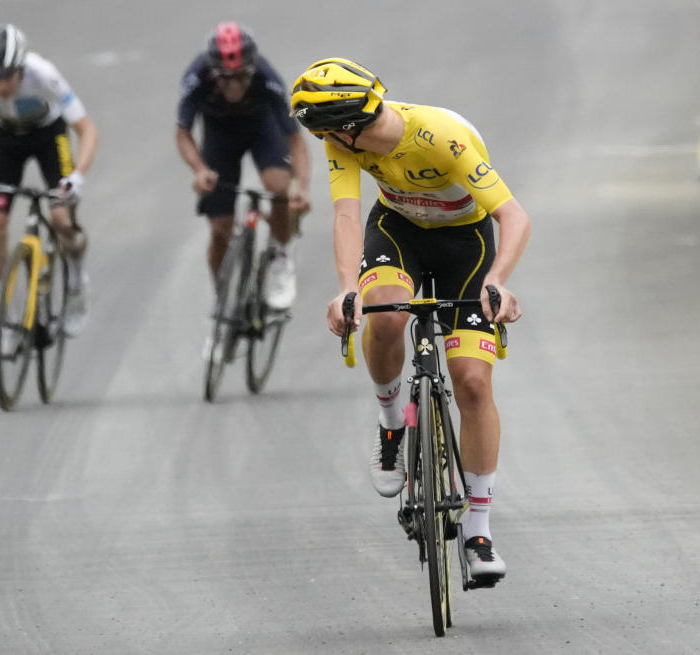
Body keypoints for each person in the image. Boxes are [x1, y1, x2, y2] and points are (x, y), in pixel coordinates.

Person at [290, 58, 531, 581]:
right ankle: (392, 423)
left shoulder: (440, 136)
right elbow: (348, 215)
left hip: (464, 243)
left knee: (470, 381)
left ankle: (479, 530)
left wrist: (497, 280)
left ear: (349, 127)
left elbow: (512, 215)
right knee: (385, 317)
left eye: (325, 130)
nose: (322, 139)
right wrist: (346, 290)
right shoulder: (343, 142)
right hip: (397, 229)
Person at [0, 24, 98, 352]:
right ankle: (7, 316)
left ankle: (77, 282)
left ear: (22, 68)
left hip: (49, 134)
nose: (1, 85)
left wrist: (77, 177)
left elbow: (87, 130)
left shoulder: (44, 75)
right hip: (5, 139)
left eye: (8, 76)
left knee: (62, 219)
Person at [176, 21, 311, 320]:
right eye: (225, 78)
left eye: (240, 77)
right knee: (220, 228)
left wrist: (301, 188)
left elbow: (295, 140)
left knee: (277, 186)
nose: (234, 86)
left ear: (251, 69)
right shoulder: (197, 76)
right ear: (213, 71)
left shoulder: (266, 77)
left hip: (261, 129)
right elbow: (182, 132)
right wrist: (199, 170)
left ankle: (282, 257)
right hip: (219, 137)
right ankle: (223, 296)